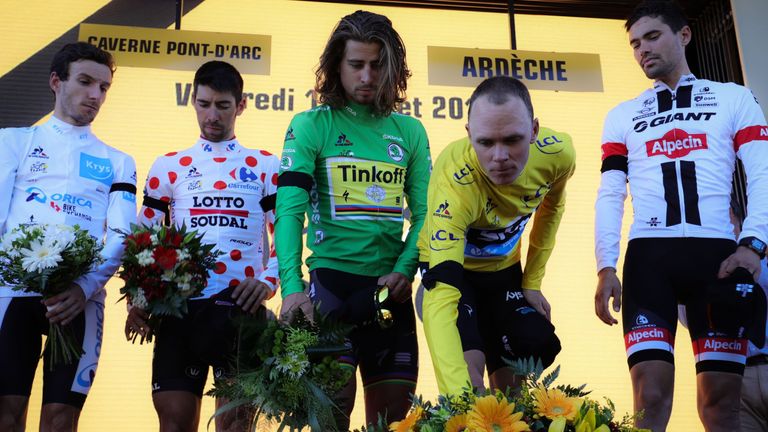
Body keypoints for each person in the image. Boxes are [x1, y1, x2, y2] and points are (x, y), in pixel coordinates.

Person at [594, 1, 768, 430]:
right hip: (649, 261)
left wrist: (754, 243)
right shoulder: (622, 114)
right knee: (648, 401)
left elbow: (763, 171)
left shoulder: (735, 97)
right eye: (634, 43)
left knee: (719, 406)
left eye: (652, 37)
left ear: (685, 35)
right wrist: (604, 265)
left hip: (717, 260)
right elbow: (611, 193)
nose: (642, 50)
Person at [275, 10, 431, 429]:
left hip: (388, 295)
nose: (366, 76)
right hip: (329, 292)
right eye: (356, 65)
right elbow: (288, 212)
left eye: (377, 65)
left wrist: (404, 269)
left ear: (392, 68)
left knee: (392, 424)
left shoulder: (410, 132)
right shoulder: (310, 125)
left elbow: (426, 216)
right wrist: (291, 290)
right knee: (328, 422)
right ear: (335, 66)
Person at [126, 60, 280, 432]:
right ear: (193, 101)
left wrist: (269, 279)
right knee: (174, 424)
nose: (212, 115)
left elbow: (286, 238)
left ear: (241, 105)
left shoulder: (265, 164)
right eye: (204, 103)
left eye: (223, 105)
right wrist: (138, 298)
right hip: (179, 313)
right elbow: (143, 239)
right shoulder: (168, 165)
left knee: (235, 425)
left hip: (238, 310)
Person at [0, 42, 137, 431]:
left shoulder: (119, 161)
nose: (95, 95)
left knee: (60, 422)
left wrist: (84, 286)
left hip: (81, 300)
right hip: (11, 293)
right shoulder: (11, 141)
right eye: (85, 82)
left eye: (104, 87)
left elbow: (123, 233)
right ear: (56, 82)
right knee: (5, 416)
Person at [419, 76, 574, 396]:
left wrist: (532, 282)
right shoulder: (454, 181)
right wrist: (460, 403)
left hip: (504, 272)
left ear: (534, 130)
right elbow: (442, 297)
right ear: (469, 135)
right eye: (486, 143)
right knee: (470, 386)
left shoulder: (559, 154)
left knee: (531, 353)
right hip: (454, 273)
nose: (500, 156)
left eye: (512, 140)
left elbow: (550, 213)